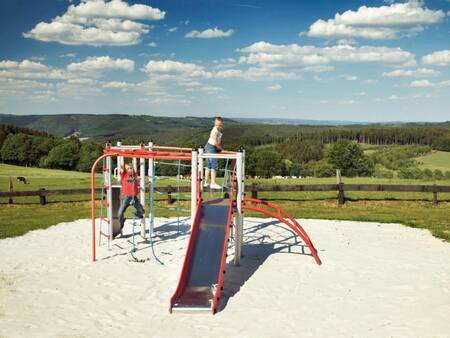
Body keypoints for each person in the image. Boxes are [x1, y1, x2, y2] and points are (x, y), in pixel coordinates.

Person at [117, 162, 145, 237]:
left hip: (134, 198)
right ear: (125, 170)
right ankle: (122, 221)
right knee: (120, 213)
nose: (129, 170)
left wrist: (138, 179)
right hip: (125, 198)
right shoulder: (124, 175)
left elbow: (138, 177)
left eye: (131, 168)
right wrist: (123, 167)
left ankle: (138, 213)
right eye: (128, 169)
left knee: (142, 212)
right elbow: (122, 168)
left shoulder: (135, 175)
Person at [204, 116, 224, 190]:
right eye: (217, 124)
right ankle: (213, 183)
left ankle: (205, 182)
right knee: (214, 164)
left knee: (208, 165)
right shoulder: (215, 131)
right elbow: (215, 142)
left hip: (209, 146)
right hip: (211, 147)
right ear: (215, 123)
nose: (218, 126)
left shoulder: (218, 129)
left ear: (222, 124)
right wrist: (221, 149)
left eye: (219, 125)